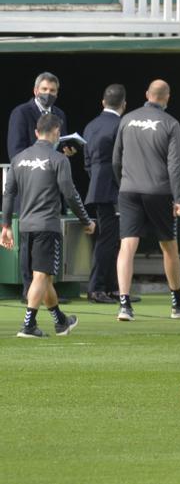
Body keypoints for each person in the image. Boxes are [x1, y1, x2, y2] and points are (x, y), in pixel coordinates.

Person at [2, 115, 94, 337]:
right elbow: (70, 194)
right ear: (56, 132)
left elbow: (8, 194)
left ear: (36, 132)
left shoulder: (19, 159)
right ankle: (29, 325)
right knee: (41, 277)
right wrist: (86, 220)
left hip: (25, 227)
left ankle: (60, 321)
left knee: (44, 279)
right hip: (47, 227)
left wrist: (5, 225)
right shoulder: (58, 159)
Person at [111, 80, 180, 321]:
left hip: (128, 190)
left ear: (147, 94)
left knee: (127, 246)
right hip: (159, 191)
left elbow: (116, 159)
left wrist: (123, 183)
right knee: (169, 246)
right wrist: (178, 199)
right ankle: (177, 302)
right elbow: (174, 164)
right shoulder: (171, 123)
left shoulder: (127, 119)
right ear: (167, 97)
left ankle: (124, 305)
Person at [83, 84, 126, 304]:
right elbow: (123, 160)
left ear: (103, 102)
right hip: (115, 191)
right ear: (124, 104)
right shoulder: (121, 125)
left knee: (111, 240)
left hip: (98, 189)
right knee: (108, 240)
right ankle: (97, 288)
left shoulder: (91, 126)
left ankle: (112, 288)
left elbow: (88, 162)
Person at [7, 72, 70, 162]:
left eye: (52, 90)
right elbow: (15, 150)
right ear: (35, 91)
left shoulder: (60, 114)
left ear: (57, 93)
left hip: (54, 170)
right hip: (30, 171)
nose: (48, 93)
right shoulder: (21, 112)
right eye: (44, 89)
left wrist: (67, 150)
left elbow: (62, 143)